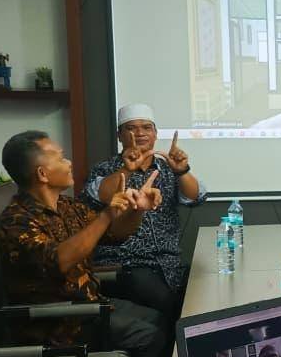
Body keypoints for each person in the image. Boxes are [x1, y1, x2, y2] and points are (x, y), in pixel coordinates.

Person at [0, 130, 170, 357]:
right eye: (60, 157)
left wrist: (138, 210)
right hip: (58, 323)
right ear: (42, 173)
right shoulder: (17, 221)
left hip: (89, 306)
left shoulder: (65, 206)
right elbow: (59, 261)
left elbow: (115, 233)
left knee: (161, 318)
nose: (69, 162)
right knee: (150, 337)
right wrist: (106, 214)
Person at [84, 103, 206, 320]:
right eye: (131, 128)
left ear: (156, 134)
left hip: (168, 264)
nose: (139, 133)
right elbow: (101, 194)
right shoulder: (104, 169)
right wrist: (127, 169)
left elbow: (195, 197)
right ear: (119, 135)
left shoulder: (167, 168)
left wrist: (182, 171)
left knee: (202, 297)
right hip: (125, 264)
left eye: (146, 127)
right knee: (176, 310)